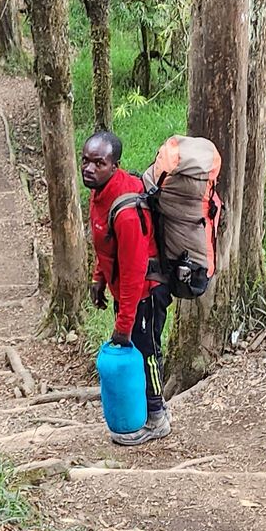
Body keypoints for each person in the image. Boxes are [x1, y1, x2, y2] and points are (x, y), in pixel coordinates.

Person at [82, 127, 171, 443]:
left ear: (114, 165)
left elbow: (134, 272)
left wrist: (123, 324)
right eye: (85, 160)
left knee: (146, 351)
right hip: (127, 290)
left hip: (145, 290)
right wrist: (98, 278)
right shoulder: (100, 193)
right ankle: (147, 410)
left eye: (98, 163)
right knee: (140, 347)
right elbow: (105, 244)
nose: (89, 168)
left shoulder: (127, 210)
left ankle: (157, 417)